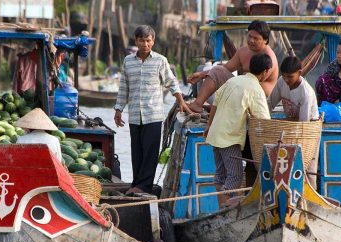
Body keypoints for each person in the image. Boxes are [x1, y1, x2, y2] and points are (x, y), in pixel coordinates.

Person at [114, 25, 191, 195]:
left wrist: (181, 102)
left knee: (150, 152)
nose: (145, 44)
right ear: (136, 41)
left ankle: (143, 186)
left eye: (148, 41)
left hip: (154, 114)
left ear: (153, 41)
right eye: (142, 40)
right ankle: (136, 183)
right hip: (134, 115)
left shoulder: (160, 60)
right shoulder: (128, 61)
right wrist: (118, 110)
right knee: (137, 152)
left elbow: (172, 82)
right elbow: (123, 88)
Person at [204, 54, 272, 209]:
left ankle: (221, 208)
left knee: (221, 175)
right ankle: (226, 209)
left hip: (215, 134)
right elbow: (264, 121)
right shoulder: (256, 89)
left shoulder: (233, 80)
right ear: (266, 71)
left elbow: (216, 101)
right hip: (229, 138)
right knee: (235, 176)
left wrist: (209, 125)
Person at [187, 20, 279, 113]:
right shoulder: (243, 51)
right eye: (250, 36)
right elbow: (226, 68)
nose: (251, 40)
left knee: (239, 84)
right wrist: (201, 74)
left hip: (259, 100)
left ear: (265, 40)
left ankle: (218, 108)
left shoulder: (269, 58)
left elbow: (252, 84)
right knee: (218, 70)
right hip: (241, 90)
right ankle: (197, 104)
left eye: (256, 38)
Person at [269, 56, 320, 188]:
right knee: (285, 167)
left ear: (300, 73)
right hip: (291, 127)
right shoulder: (281, 82)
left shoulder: (306, 93)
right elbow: (270, 104)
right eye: (284, 76)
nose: (286, 80)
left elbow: (303, 124)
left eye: (290, 77)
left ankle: (308, 201)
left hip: (309, 128)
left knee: (308, 168)